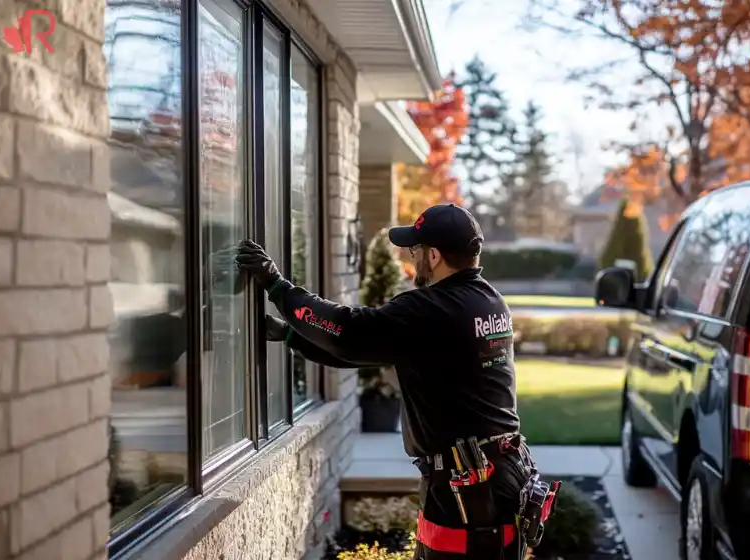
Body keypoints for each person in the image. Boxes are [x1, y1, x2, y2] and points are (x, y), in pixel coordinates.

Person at [236, 204, 557, 559]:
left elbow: (347, 331)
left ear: (433, 255)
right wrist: (291, 336)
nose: (411, 257)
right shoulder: (487, 301)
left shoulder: (431, 308)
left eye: (414, 250)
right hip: (494, 475)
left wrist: (278, 287)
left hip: (471, 487)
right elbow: (365, 350)